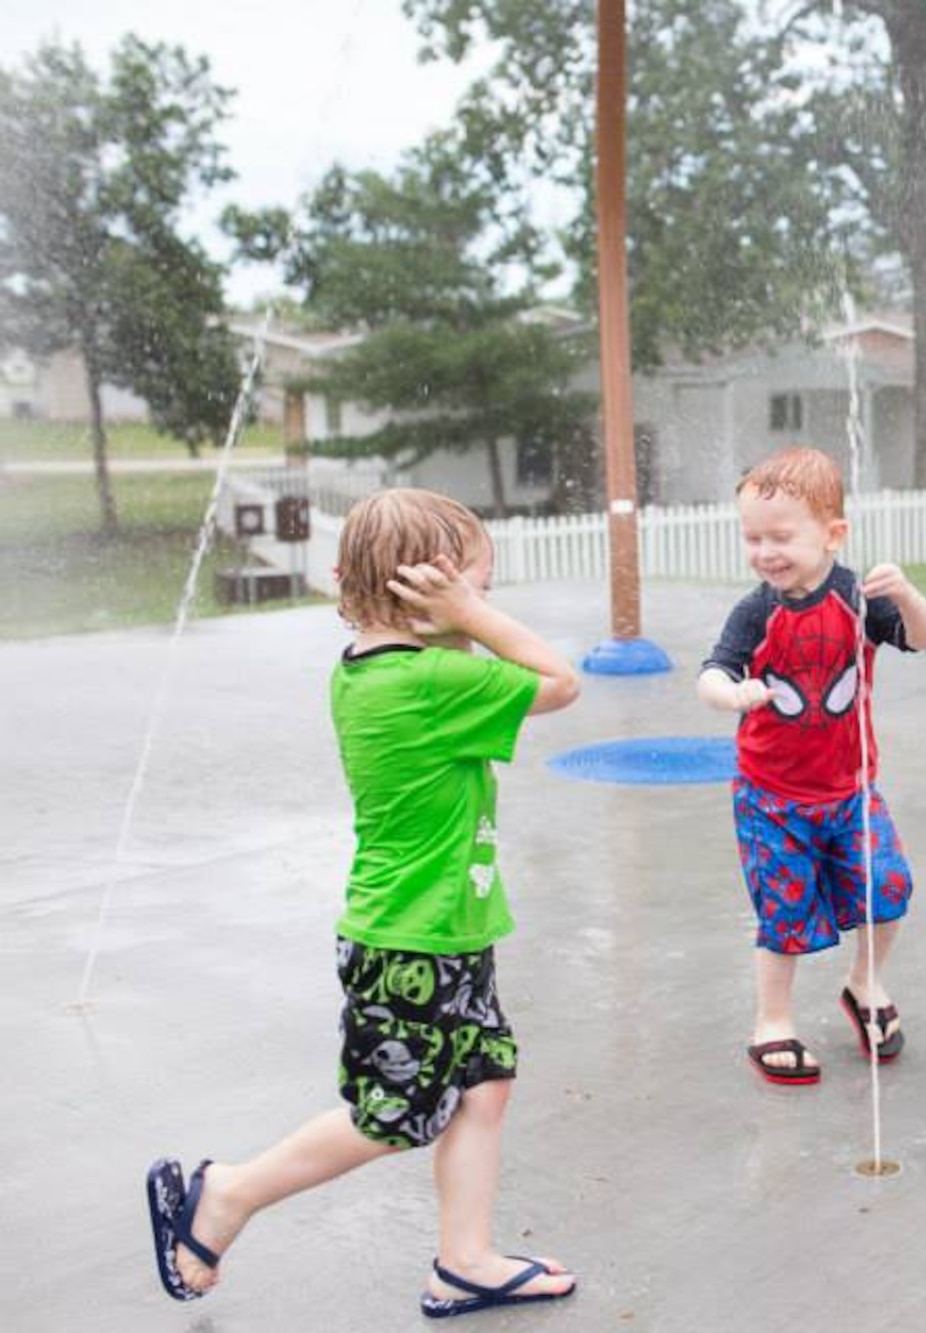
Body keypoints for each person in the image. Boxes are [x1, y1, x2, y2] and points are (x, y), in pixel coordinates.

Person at [145, 488, 584, 1317]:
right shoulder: (431, 679)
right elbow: (561, 681)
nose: (484, 610)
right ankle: (227, 1194)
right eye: (475, 591)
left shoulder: (366, 669)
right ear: (432, 591)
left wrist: (458, 613)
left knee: (484, 1084)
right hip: (416, 942)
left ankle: (465, 1259)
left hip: (433, 934)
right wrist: (472, 618)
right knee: (392, 1115)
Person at [698, 447, 926, 1085]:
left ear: (834, 534)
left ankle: (864, 983)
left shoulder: (860, 599)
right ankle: (772, 1021)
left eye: (781, 536)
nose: (765, 552)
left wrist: (909, 597)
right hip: (772, 796)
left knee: (885, 890)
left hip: (851, 789)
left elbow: (925, 639)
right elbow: (712, 674)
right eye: (753, 538)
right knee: (784, 912)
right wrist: (734, 693)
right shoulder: (757, 610)